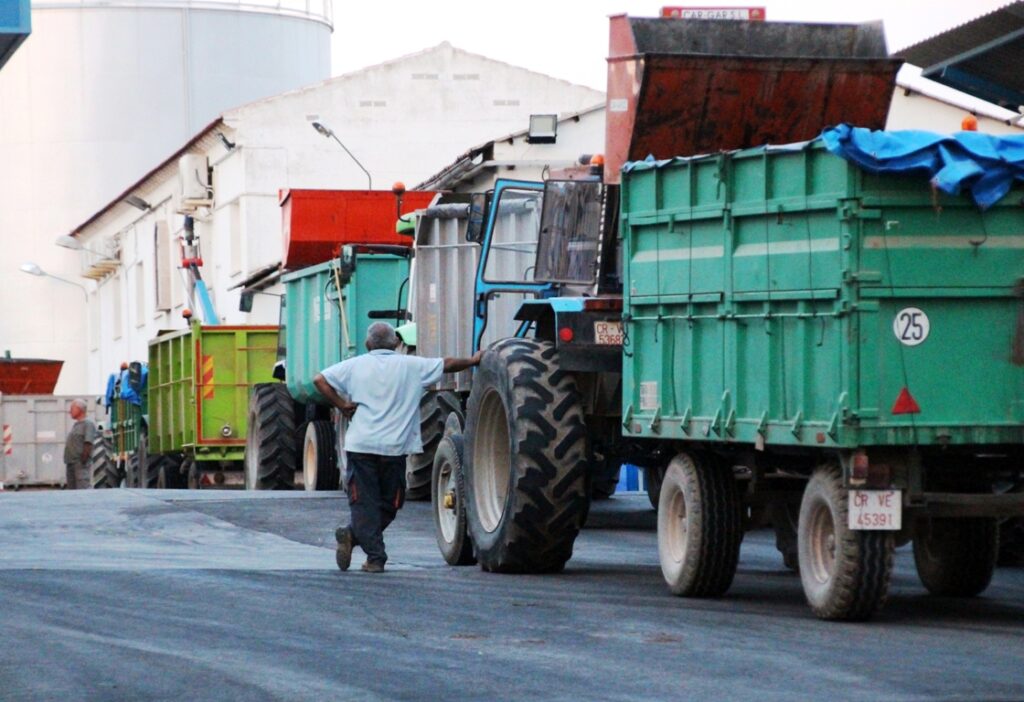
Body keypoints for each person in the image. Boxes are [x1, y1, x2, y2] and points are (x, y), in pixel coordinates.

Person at [313, 322, 483, 573]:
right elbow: (447, 364)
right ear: (395, 343)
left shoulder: (354, 365)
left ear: (367, 344)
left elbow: (319, 379)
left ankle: (351, 535)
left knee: (368, 505)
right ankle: (376, 558)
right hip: (394, 448)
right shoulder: (412, 366)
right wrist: (472, 360)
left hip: (362, 446)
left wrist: (341, 405)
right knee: (389, 504)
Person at [64, 399, 98, 489]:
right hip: (71, 463)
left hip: (80, 464)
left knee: (82, 489)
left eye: (72, 408)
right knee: (72, 491)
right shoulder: (77, 425)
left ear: (79, 409)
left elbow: (88, 443)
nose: (69, 411)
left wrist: (83, 461)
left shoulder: (88, 424)